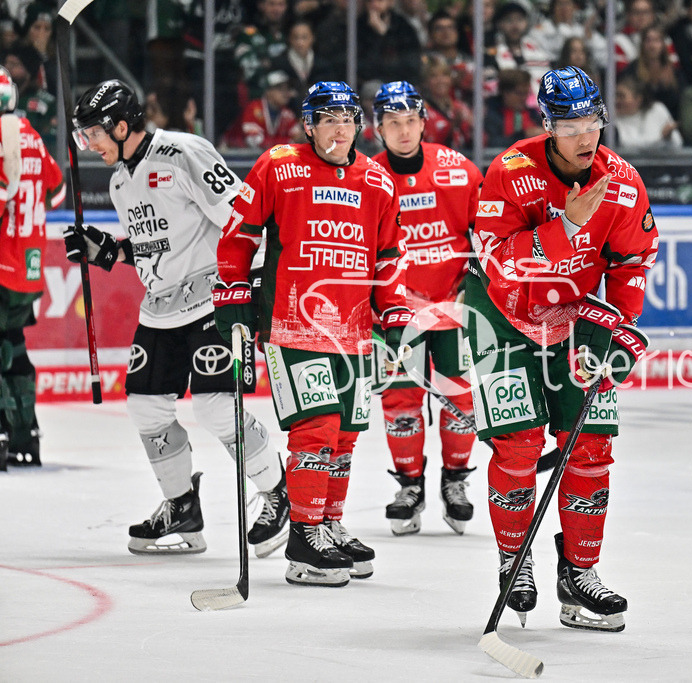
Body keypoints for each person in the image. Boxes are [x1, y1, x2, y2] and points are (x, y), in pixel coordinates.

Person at [63, 80, 290, 557]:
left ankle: (277, 494)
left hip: (215, 298)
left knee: (213, 407)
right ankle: (182, 506)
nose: (89, 146)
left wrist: (249, 290)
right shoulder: (120, 181)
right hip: (162, 306)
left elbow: (243, 218)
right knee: (145, 406)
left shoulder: (183, 153)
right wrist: (105, 251)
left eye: (93, 135)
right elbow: (151, 249)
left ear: (122, 126)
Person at [468, 65, 657, 631]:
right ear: (547, 125)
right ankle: (514, 557)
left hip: (574, 318)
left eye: (592, 121)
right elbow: (497, 260)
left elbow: (632, 263)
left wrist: (619, 327)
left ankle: (579, 573)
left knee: (592, 445)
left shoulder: (622, 182)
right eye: (570, 123)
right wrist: (568, 228)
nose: (584, 136)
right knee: (519, 445)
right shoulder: (511, 171)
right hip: (501, 316)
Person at [215, 81, 409, 586]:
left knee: (344, 433)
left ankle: (326, 521)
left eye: (347, 119)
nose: (339, 129)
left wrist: (395, 316)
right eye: (328, 120)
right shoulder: (279, 165)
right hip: (293, 322)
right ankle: (303, 539)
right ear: (309, 125)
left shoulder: (378, 182)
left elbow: (387, 259)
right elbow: (238, 237)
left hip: (353, 328)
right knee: (317, 427)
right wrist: (233, 302)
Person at [370, 80, 484, 535]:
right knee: (400, 400)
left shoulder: (459, 170)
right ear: (377, 128)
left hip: (452, 309)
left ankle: (455, 482)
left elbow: (488, 239)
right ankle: (409, 485)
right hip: (395, 315)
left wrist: (471, 291)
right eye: (392, 123)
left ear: (423, 122)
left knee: (459, 397)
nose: (403, 131)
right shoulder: (368, 176)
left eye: (410, 121)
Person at [0, 65, 63, 469]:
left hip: (2, 262)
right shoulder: (32, 137)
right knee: (15, 342)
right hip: (30, 265)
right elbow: (55, 193)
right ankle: (27, 434)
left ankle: (3, 431)